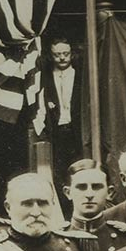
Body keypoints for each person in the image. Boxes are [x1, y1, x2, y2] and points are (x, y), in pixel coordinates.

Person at [42, 37, 84, 204]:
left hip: (77, 130)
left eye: (65, 54)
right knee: (58, 171)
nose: (62, 58)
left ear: (72, 54)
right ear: (51, 56)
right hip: (56, 131)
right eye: (57, 54)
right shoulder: (45, 77)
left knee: (78, 169)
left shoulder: (80, 75)